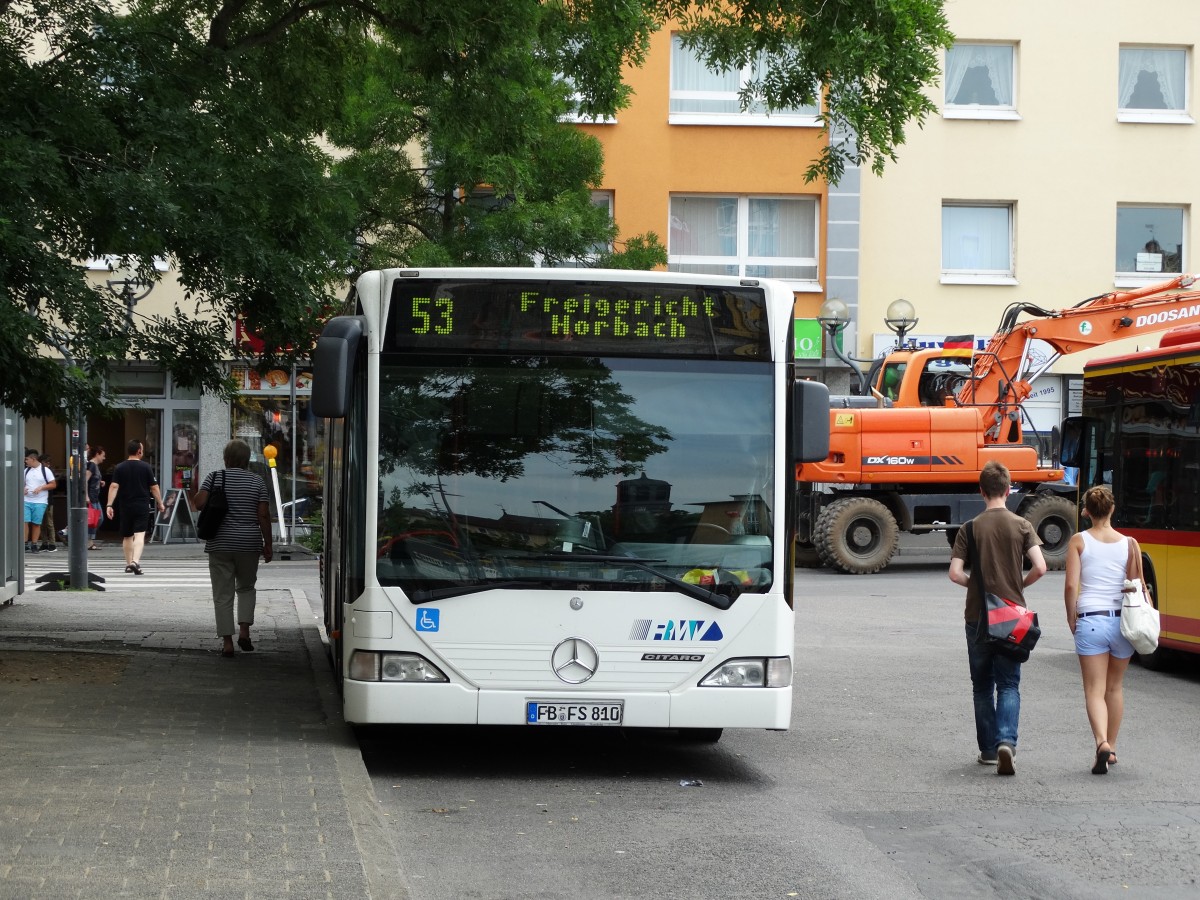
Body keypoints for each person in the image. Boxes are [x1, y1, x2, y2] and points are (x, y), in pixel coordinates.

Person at [949, 461, 1047, 776]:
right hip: (1011, 616)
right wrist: (1019, 584)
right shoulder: (1022, 525)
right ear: (1008, 489)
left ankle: (989, 751)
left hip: (977, 615)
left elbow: (954, 573)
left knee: (981, 686)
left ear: (981, 491)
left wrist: (974, 584)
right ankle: (1007, 741)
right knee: (1008, 684)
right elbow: (1041, 567)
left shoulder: (970, 527)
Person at [1063, 485, 1136, 775]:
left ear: (1086, 512)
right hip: (1121, 621)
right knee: (1114, 687)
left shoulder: (1079, 541)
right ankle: (1113, 746)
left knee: (1094, 690)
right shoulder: (1129, 543)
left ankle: (1101, 742)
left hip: (1091, 619)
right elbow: (1133, 585)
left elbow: (1071, 585)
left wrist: (1071, 617)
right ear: (1112, 509)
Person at [194, 439, 273, 658]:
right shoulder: (257, 482)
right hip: (248, 543)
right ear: (247, 460)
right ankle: (244, 631)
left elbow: (198, 504)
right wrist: (268, 544)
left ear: (226, 458)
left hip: (220, 542)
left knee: (222, 594)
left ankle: (227, 643)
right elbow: (263, 515)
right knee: (246, 587)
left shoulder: (215, 477)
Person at [106, 439, 165, 575]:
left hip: (125, 505)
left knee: (127, 536)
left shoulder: (119, 467)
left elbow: (114, 486)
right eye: (142, 449)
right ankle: (135, 562)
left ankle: (128, 564)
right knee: (139, 534)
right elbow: (154, 487)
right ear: (139, 451)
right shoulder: (146, 467)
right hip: (141, 504)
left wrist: (109, 504)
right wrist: (160, 503)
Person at [22, 449, 57, 553]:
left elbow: (53, 484)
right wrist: (23, 488)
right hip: (26, 499)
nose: (25, 461)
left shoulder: (45, 470)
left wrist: (41, 488)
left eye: (27, 459)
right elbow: (22, 484)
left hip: (40, 501)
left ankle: (34, 544)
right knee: (25, 521)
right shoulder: (26, 471)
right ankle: (25, 544)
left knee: (36, 523)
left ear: (33, 459)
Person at [86, 445, 107, 550]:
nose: (104, 458)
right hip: (91, 496)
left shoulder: (95, 466)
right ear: (97, 454)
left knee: (98, 518)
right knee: (95, 519)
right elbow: (85, 480)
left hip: (94, 497)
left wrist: (100, 482)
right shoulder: (91, 465)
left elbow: (91, 479)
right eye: (103, 455)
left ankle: (89, 540)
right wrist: (86, 496)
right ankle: (88, 541)